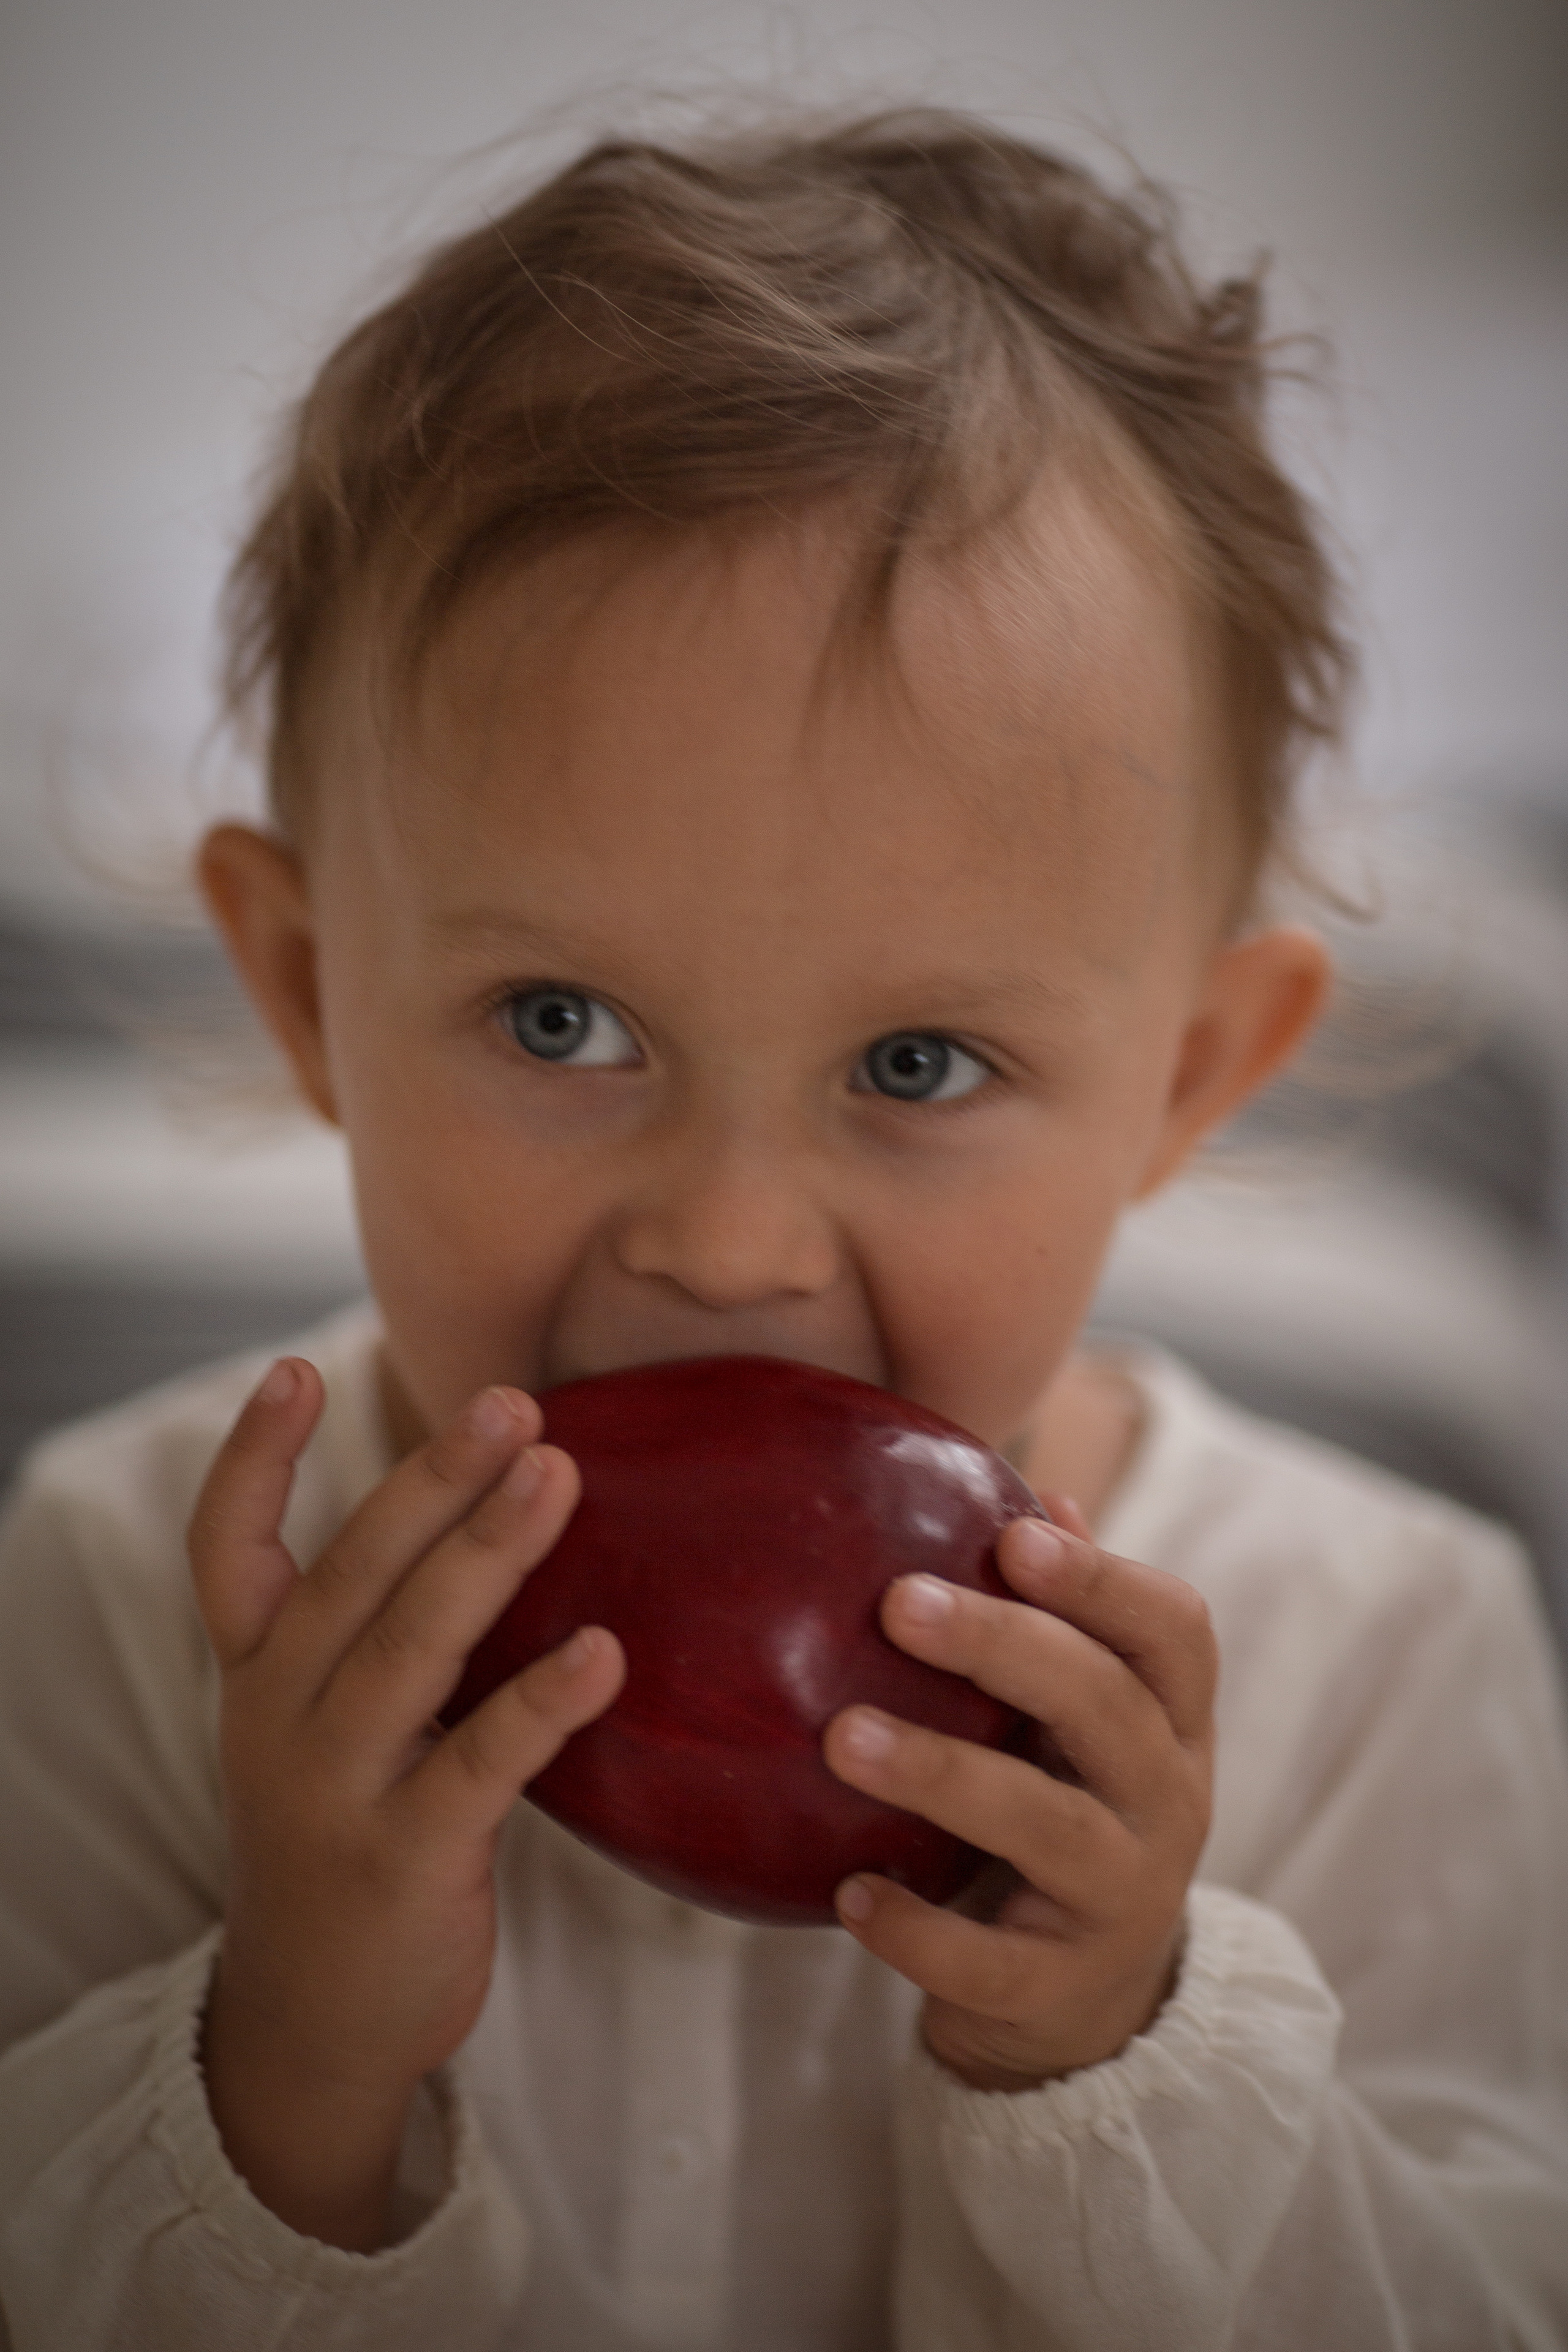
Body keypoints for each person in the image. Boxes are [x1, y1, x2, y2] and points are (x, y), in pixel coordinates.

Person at [0, 109, 1564, 2352]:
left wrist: (1131, 2053)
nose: (730, 1247)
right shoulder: (116, 1598)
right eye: (561, 1021)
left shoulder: (1387, 1656)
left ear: (1193, 1079)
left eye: (918, 1063)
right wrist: (290, 2064)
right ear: (307, 988)